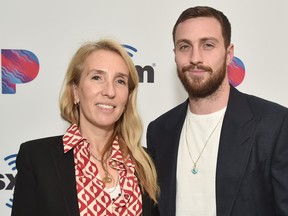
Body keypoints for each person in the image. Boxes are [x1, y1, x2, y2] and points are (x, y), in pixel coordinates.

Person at [146, 6, 288, 216]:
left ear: (229, 54)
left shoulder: (273, 125)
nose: (195, 58)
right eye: (185, 46)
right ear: (175, 54)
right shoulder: (159, 131)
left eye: (208, 45)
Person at [11, 39, 159, 216]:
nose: (109, 91)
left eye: (120, 81)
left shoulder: (145, 163)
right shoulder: (37, 158)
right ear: (75, 91)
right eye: (97, 77)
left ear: (127, 97)